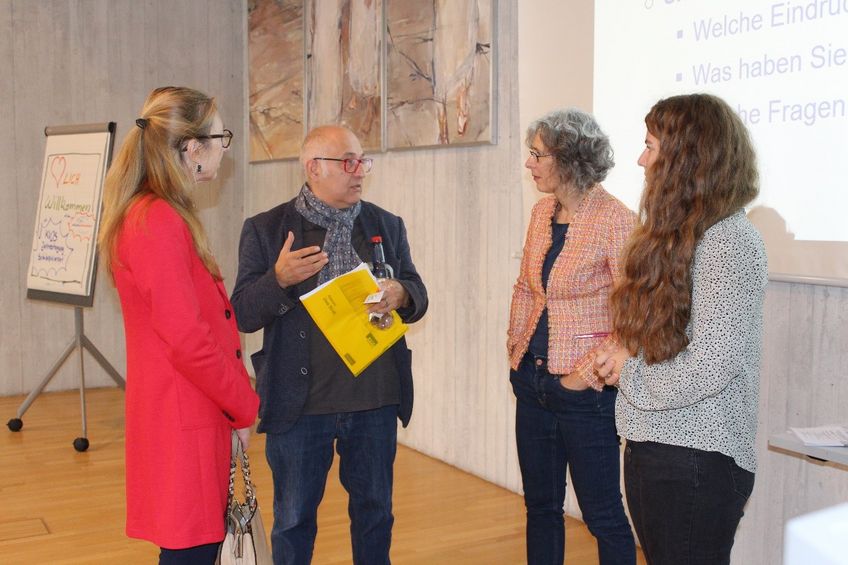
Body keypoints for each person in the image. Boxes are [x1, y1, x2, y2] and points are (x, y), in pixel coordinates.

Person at [230, 125, 428, 565]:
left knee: (375, 516)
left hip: (374, 400)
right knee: (294, 521)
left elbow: (417, 293)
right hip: (301, 406)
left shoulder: (386, 224)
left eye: (363, 161)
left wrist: (401, 294)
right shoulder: (267, 229)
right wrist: (278, 280)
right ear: (314, 168)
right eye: (347, 162)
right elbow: (243, 313)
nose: (359, 172)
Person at [595, 93, 767, 565]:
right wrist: (626, 351)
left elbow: (711, 364)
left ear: (685, 157)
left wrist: (628, 376)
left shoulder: (729, 241)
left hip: (696, 460)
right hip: (659, 446)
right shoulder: (682, 235)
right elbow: (674, 338)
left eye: (650, 146)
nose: (640, 159)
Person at [98, 86, 260, 564]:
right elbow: (188, 340)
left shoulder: (152, 215)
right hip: (186, 416)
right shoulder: (158, 220)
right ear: (192, 149)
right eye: (220, 137)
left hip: (186, 411)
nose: (224, 149)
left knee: (194, 547)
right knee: (192, 550)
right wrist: (243, 404)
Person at [506, 108, 637, 565]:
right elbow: (527, 287)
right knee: (541, 507)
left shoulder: (616, 219)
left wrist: (581, 379)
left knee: (602, 515)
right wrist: (516, 355)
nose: (530, 163)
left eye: (537, 154)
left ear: (569, 158)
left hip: (586, 393)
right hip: (532, 382)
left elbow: (634, 313)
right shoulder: (542, 211)